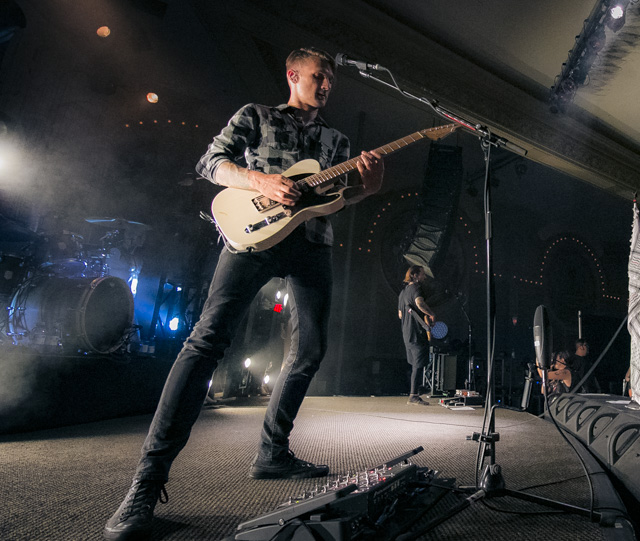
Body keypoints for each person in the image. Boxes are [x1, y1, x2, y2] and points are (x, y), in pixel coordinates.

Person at [103, 47, 385, 540]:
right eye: (319, 77)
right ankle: (145, 485)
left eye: (331, 82)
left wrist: (367, 189)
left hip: (312, 244)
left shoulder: (337, 141)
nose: (326, 86)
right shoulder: (256, 116)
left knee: (311, 350)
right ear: (293, 75)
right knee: (207, 340)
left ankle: (272, 454)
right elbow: (210, 162)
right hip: (252, 236)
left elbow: (338, 199)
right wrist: (261, 181)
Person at [398, 265, 435, 406]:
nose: (424, 277)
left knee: (415, 364)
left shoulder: (402, 293)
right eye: (422, 274)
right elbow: (420, 303)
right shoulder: (416, 289)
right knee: (419, 365)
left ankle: (415, 391)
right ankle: (413, 395)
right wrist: (431, 314)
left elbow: (400, 315)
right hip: (416, 333)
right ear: (414, 275)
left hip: (406, 333)